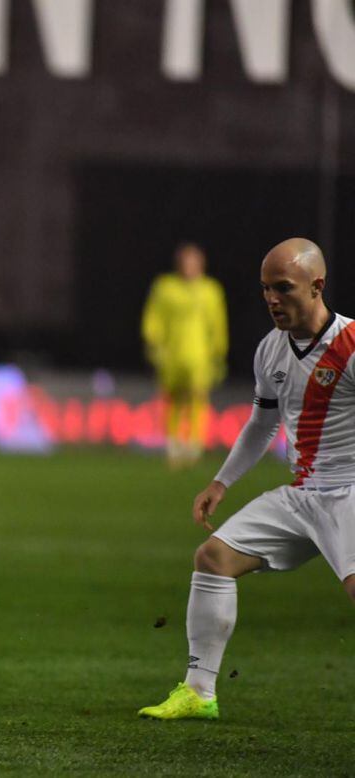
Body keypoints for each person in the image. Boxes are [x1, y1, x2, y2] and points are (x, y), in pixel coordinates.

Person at [139, 238, 355, 721]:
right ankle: (199, 692)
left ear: (317, 286)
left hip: (350, 491)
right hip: (303, 496)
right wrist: (220, 483)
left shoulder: (351, 345)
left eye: (283, 288)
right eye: (265, 289)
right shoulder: (271, 350)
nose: (272, 299)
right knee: (214, 558)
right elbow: (263, 423)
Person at [141, 243, 228, 468]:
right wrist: (153, 342)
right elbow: (154, 318)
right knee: (173, 398)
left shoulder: (210, 290)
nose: (189, 266)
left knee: (198, 397)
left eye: (193, 262)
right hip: (171, 354)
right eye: (185, 262)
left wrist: (219, 351)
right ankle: (173, 445)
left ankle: (194, 445)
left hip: (200, 355)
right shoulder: (165, 287)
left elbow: (217, 323)